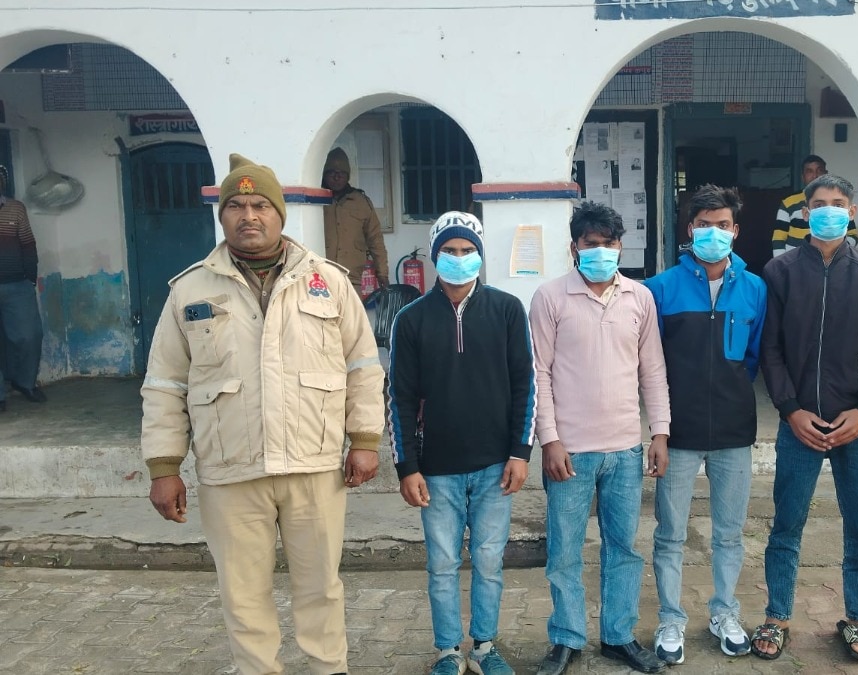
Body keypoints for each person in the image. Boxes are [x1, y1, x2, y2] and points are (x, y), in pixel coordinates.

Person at [141, 154, 384, 675]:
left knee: (321, 590)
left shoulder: (329, 282)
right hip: (231, 470)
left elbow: (363, 365)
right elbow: (164, 384)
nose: (248, 215)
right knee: (244, 599)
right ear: (221, 215)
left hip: (314, 465)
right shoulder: (190, 291)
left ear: (280, 214)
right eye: (235, 205)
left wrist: (365, 438)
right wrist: (164, 467)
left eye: (259, 205)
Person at [752, 174, 858, 663]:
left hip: (855, 427)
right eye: (819, 204)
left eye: (838, 204)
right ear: (805, 213)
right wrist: (790, 410)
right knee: (786, 525)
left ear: (852, 211)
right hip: (801, 427)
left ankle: (857, 619)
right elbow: (770, 350)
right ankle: (776, 616)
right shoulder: (781, 271)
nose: (828, 211)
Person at [389, 211, 536, 675]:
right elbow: (399, 398)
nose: (459, 259)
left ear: (480, 254)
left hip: (496, 465)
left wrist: (520, 451)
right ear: (435, 257)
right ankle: (449, 651)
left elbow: (524, 385)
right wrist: (406, 466)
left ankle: (486, 647)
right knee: (442, 564)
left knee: (490, 561)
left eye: (467, 250)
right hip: (436, 470)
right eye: (449, 252)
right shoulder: (411, 320)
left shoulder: (508, 309)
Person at [529, 201, 671, 675]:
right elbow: (540, 373)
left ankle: (618, 635)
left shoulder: (639, 297)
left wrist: (660, 432)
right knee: (564, 550)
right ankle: (567, 638)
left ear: (620, 247)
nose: (601, 253)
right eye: (591, 245)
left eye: (609, 245)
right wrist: (549, 440)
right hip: (569, 451)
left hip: (626, 450)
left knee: (624, 549)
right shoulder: (550, 298)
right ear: (574, 248)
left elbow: (652, 369)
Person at [644, 184, 767, 664]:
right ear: (688, 229)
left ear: (736, 231)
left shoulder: (755, 288)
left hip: (735, 433)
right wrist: (659, 427)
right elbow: (650, 365)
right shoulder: (660, 289)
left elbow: (753, 358)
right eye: (703, 224)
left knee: (729, 533)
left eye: (722, 225)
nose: (712, 233)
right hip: (678, 433)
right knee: (670, 533)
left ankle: (724, 612)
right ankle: (670, 619)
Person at [0, 164, 46, 410]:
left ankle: (24, 382)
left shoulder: (16, 209)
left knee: (30, 335)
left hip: (17, 284)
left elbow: (28, 244)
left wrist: (30, 277)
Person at [322, 147, 389, 293]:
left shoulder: (361, 202)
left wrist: (382, 273)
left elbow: (375, 240)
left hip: (351, 278)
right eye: (332, 172)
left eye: (342, 173)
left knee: (351, 316)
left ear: (348, 176)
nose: (337, 177)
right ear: (324, 175)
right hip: (320, 277)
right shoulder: (315, 202)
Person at [771, 154, 858, 257]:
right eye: (809, 171)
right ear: (803, 176)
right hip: (794, 263)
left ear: (826, 174)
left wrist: (834, 253)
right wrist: (781, 264)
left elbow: (853, 235)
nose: (815, 176)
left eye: (819, 170)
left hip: (831, 263)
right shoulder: (788, 203)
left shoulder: (837, 206)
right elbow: (778, 238)